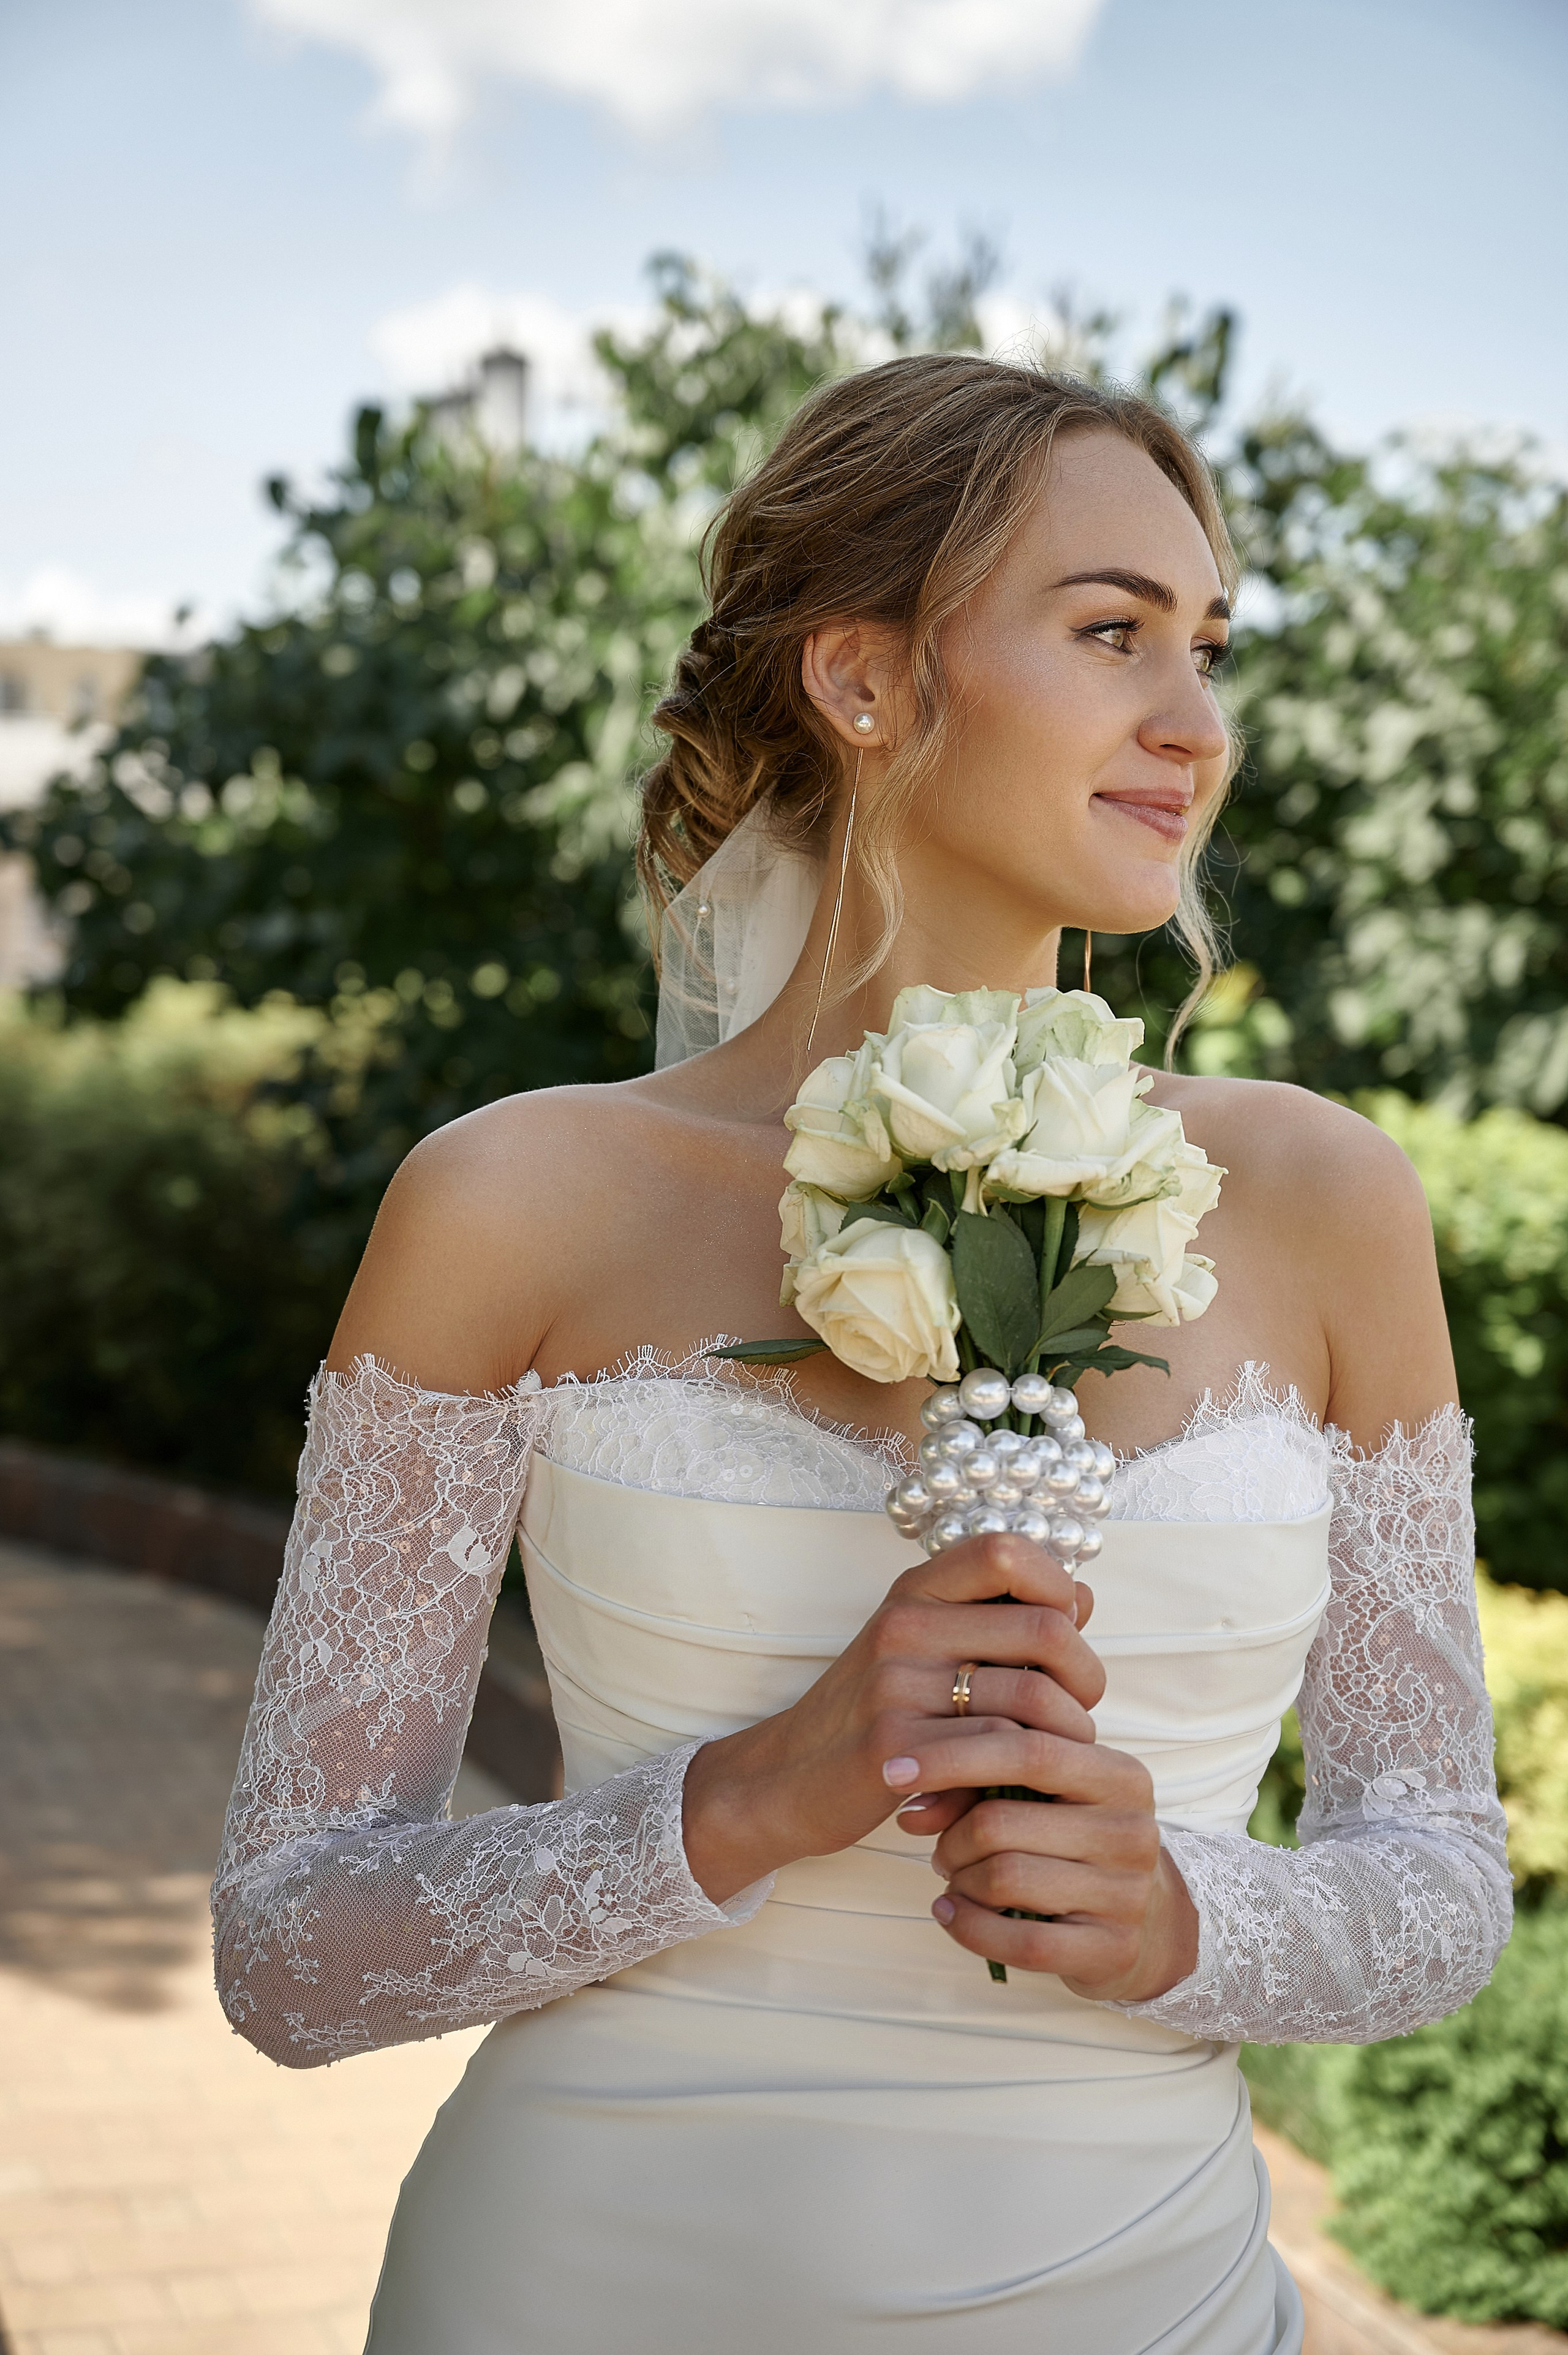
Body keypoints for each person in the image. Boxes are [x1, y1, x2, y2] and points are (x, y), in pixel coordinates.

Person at [212, 355, 1511, 2354]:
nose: (1199, 725)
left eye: (1208, 649)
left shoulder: (1329, 1201)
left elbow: (1436, 1873)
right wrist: (750, 1795)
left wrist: (1187, 1917)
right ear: (866, 679)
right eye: (1112, 634)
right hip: (582, 2290)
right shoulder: (512, 1201)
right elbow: (292, 1947)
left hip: (1141, 2299)